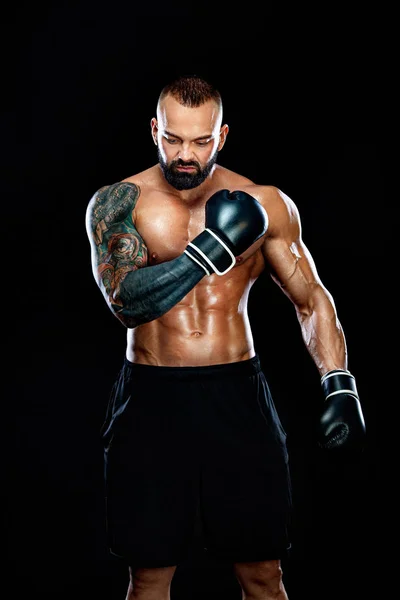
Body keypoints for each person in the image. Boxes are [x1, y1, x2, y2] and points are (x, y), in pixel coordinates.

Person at [85, 75, 366, 600]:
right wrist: (211, 250)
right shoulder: (118, 201)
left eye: (200, 140)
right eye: (172, 138)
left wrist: (339, 383)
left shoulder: (267, 204)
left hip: (237, 396)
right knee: (148, 576)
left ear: (223, 135)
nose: (184, 154)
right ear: (154, 130)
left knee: (263, 574)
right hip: (151, 396)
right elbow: (125, 302)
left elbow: (311, 299)